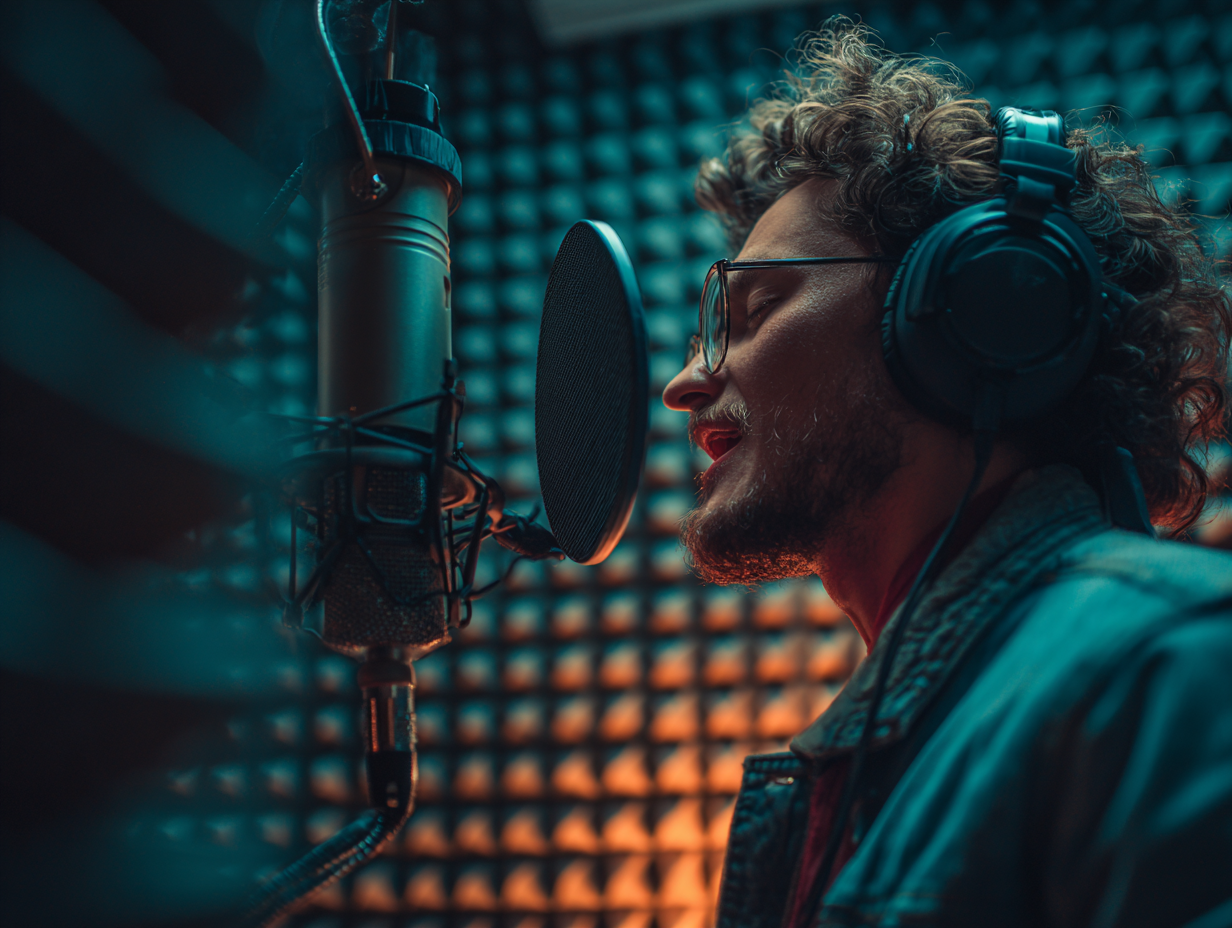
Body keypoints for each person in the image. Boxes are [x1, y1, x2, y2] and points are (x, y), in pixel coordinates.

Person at [661, 20, 1232, 928]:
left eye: (757, 308)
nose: (686, 383)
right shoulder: (903, 736)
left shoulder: (1167, 666)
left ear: (980, 313)